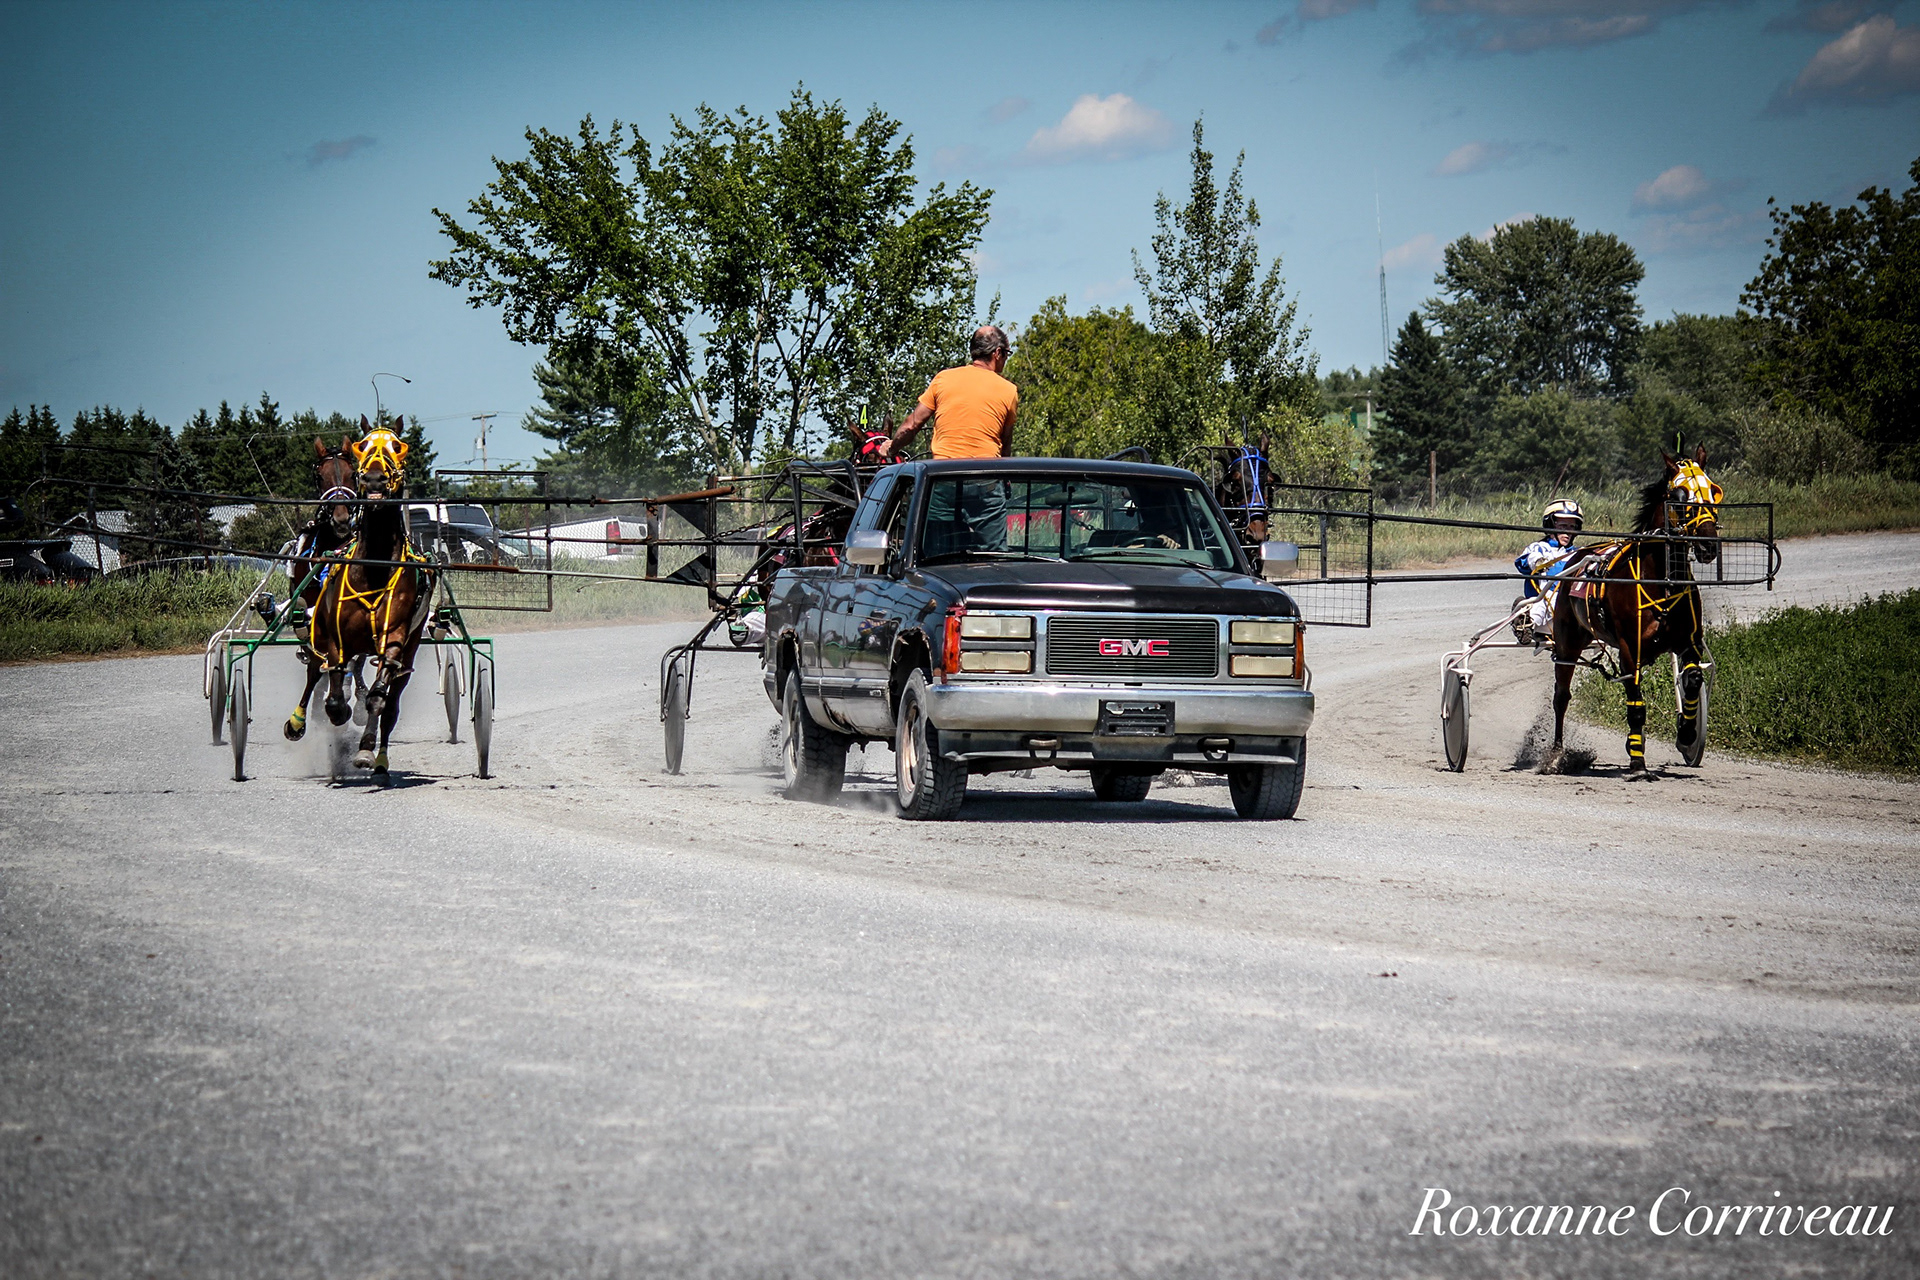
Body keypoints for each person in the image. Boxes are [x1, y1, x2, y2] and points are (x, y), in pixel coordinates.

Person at [883, 325, 1019, 553]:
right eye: (1006, 354)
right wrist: (1004, 477)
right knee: (993, 554)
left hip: (942, 479)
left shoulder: (943, 379)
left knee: (936, 552)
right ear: (997, 353)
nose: (1005, 360)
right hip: (985, 481)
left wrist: (891, 447)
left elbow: (912, 425)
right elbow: (1005, 442)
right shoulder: (1008, 390)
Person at [1514, 498, 1584, 643]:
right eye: (1563, 526)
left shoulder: (1579, 553)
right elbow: (1523, 562)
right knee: (1546, 601)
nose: (1568, 532)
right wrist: (1538, 562)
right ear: (1550, 525)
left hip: (1571, 607)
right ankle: (1526, 622)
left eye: (1572, 527)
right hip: (1544, 599)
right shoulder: (1539, 548)